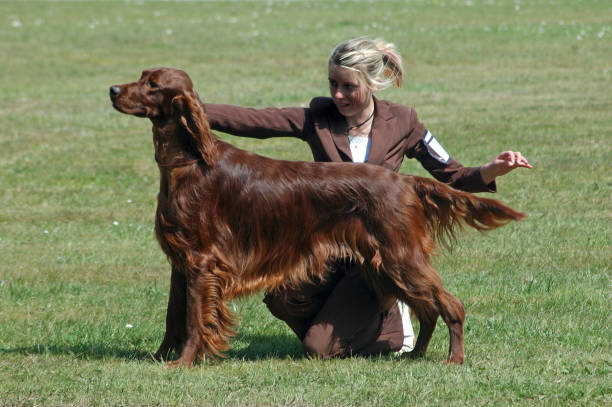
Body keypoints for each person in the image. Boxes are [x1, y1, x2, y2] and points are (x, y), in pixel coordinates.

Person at [201, 37, 531, 358]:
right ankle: (347, 328)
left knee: (317, 349)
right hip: (326, 252)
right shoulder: (320, 116)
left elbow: (453, 174)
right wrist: (190, 106)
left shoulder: (403, 122)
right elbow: (254, 120)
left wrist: (491, 170)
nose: (338, 94)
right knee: (281, 296)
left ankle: (389, 328)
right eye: (333, 84)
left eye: (348, 87)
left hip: (376, 255)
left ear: (372, 83)